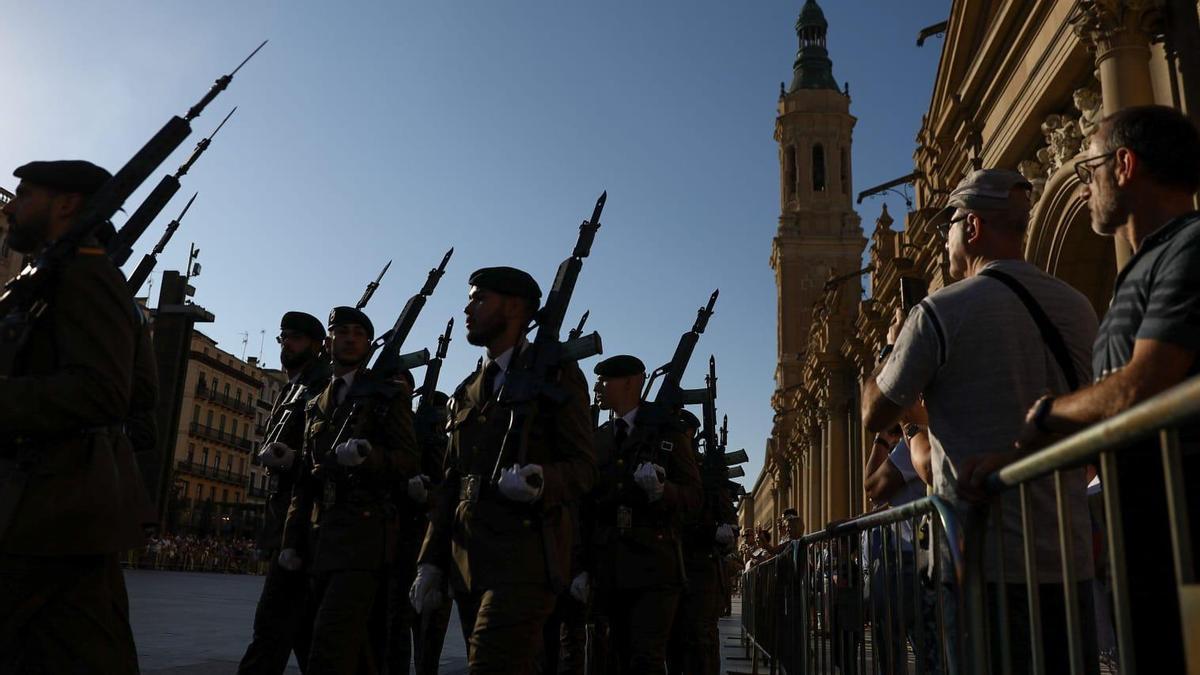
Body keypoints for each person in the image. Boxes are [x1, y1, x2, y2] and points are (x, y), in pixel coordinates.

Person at [862, 168, 1099, 674]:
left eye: (948, 225)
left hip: (982, 563)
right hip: (1068, 558)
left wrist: (889, 348)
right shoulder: (1076, 306)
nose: (945, 240)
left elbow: (872, 412)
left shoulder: (940, 312)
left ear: (971, 228)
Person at [1012, 104, 1200, 673]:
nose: (1084, 180)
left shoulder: (1189, 247)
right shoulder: (1138, 271)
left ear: (1123, 165)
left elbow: (1145, 382)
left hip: (1185, 534)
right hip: (1141, 539)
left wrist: (1048, 414)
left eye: (1088, 164)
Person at [411, 266, 595, 674]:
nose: (467, 308)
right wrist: (431, 560)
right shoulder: (468, 390)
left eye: (479, 299)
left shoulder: (558, 375)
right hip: (468, 559)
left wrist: (541, 480)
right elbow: (451, 483)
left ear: (513, 307)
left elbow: (584, 467)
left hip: (524, 558)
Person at [0, 160, 144, 673]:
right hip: (45, 512)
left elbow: (104, 391)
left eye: (26, 193)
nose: (12, 206)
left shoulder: (86, 276)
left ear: (66, 204)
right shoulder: (48, 277)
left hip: (52, 507)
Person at [280, 306, 419, 674]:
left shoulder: (387, 396)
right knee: (338, 647)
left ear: (369, 344)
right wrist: (292, 540)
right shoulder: (317, 402)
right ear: (328, 342)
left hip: (364, 537)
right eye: (342, 331)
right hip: (320, 536)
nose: (351, 338)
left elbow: (407, 460)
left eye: (359, 332)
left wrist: (368, 456)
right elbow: (305, 481)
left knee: (330, 646)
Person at [238, 311, 330, 674]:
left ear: (317, 345)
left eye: (296, 338)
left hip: (303, 519)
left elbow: (326, 452)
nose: (287, 344)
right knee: (303, 628)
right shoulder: (292, 387)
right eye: (284, 338)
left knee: (272, 625)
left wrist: (293, 460)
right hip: (284, 516)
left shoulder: (321, 387)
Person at [667, 409, 735, 675]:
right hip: (673, 563)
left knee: (701, 641)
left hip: (702, 569)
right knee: (674, 642)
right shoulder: (671, 466)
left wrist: (724, 532)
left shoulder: (708, 471)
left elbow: (727, 518)